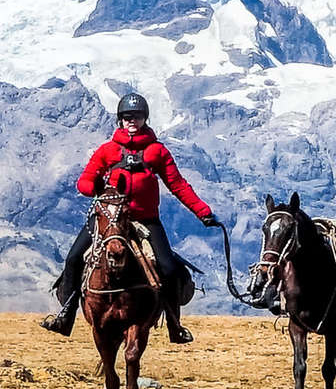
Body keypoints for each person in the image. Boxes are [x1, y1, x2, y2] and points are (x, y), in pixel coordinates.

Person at [40, 92, 216, 344]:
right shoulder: (107, 150)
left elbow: (178, 185)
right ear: (120, 120)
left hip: (146, 221)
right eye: (127, 117)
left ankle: (174, 325)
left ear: (145, 118)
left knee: (168, 268)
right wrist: (94, 186)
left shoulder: (157, 152)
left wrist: (203, 212)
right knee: (73, 259)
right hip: (108, 218)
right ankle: (66, 314)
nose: (132, 121)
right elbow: (85, 181)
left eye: (137, 116)